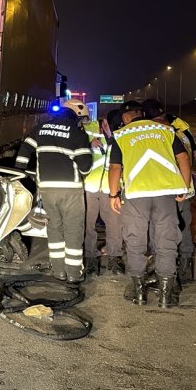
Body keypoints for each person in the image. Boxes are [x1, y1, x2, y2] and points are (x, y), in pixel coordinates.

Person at [108, 100, 192, 308]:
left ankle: (138, 293)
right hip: (165, 193)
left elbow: (115, 168)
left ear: (125, 116)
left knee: (135, 242)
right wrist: (184, 186)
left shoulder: (121, 135)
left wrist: (113, 195)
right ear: (142, 113)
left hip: (137, 195)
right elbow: (183, 159)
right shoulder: (165, 130)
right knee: (166, 242)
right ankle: (165, 295)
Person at [16, 98, 93, 283]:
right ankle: (74, 274)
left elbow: (25, 150)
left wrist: (19, 174)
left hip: (47, 188)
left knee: (54, 228)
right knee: (73, 229)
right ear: (76, 117)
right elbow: (85, 167)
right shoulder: (76, 132)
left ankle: (58, 270)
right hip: (71, 189)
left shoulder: (40, 128)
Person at [142, 100, 196, 284]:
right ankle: (185, 270)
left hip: (167, 189)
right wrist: (186, 186)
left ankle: (165, 273)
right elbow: (191, 156)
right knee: (183, 228)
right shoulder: (182, 129)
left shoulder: (159, 133)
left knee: (162, 230)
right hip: (184, 189)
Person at [83, 111, 125, 276]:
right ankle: (91, 259)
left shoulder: (120, 135)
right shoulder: (88, 129)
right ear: (104, 121)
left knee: (115, 225)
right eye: (109, 126)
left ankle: (115, 259)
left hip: (111, 189)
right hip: (90, 187)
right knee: (88, 224)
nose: (110, 130)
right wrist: (88, 144)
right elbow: (76, 146)